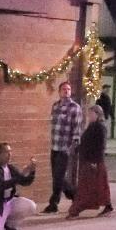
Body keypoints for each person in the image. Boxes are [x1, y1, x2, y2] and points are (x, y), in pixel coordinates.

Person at [67, 105, 113, 217]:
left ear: (98, 114)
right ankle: (107, 205)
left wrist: (95, 161)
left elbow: (100, 146)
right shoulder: (92, 126)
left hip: (94, 161)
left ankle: (76, 209)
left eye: (91, 114)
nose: (89, 116)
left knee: (87, 186)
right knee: (97, 185)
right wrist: (77, 149)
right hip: (89, 160)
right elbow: (87, 143)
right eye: (89, 114)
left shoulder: (100, 127)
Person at [44, 80, 82, 213]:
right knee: (57, 176)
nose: (66, 91)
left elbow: (76, 127)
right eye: (64, 89)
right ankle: (75, 195)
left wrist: (74, 144)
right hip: (54, 146)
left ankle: (53, 203)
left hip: (65, 147)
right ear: (59, 92)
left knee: (59, 176)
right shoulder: (55, 106)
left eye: (68, 89)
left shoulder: (74, 107)